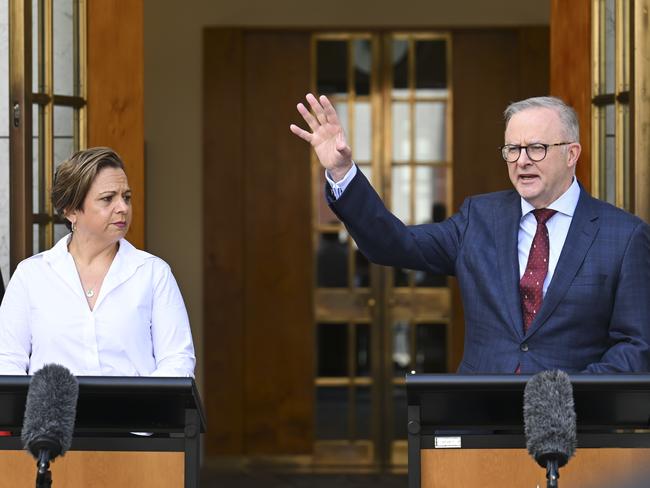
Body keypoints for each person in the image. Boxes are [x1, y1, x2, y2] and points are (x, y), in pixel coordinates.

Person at [290, 93, 650, 373]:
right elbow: (394, 245)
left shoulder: (623, 236)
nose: (522, 160)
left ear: (572, 153)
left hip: (573, 430)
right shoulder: (480, 217)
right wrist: (342, 173)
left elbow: (636, 346)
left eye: (536, 148)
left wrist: (571, 395)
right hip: (481, 422)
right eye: (513, 149)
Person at [0, 147, 195, 376]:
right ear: (71, 210)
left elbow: (177, 361)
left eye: (126, 197)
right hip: (54, 412)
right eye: (107, 199)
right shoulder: (31, 275)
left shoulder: (153, 273)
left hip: (134, 412)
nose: (122, 208)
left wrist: (143, 408)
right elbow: (6, 360)